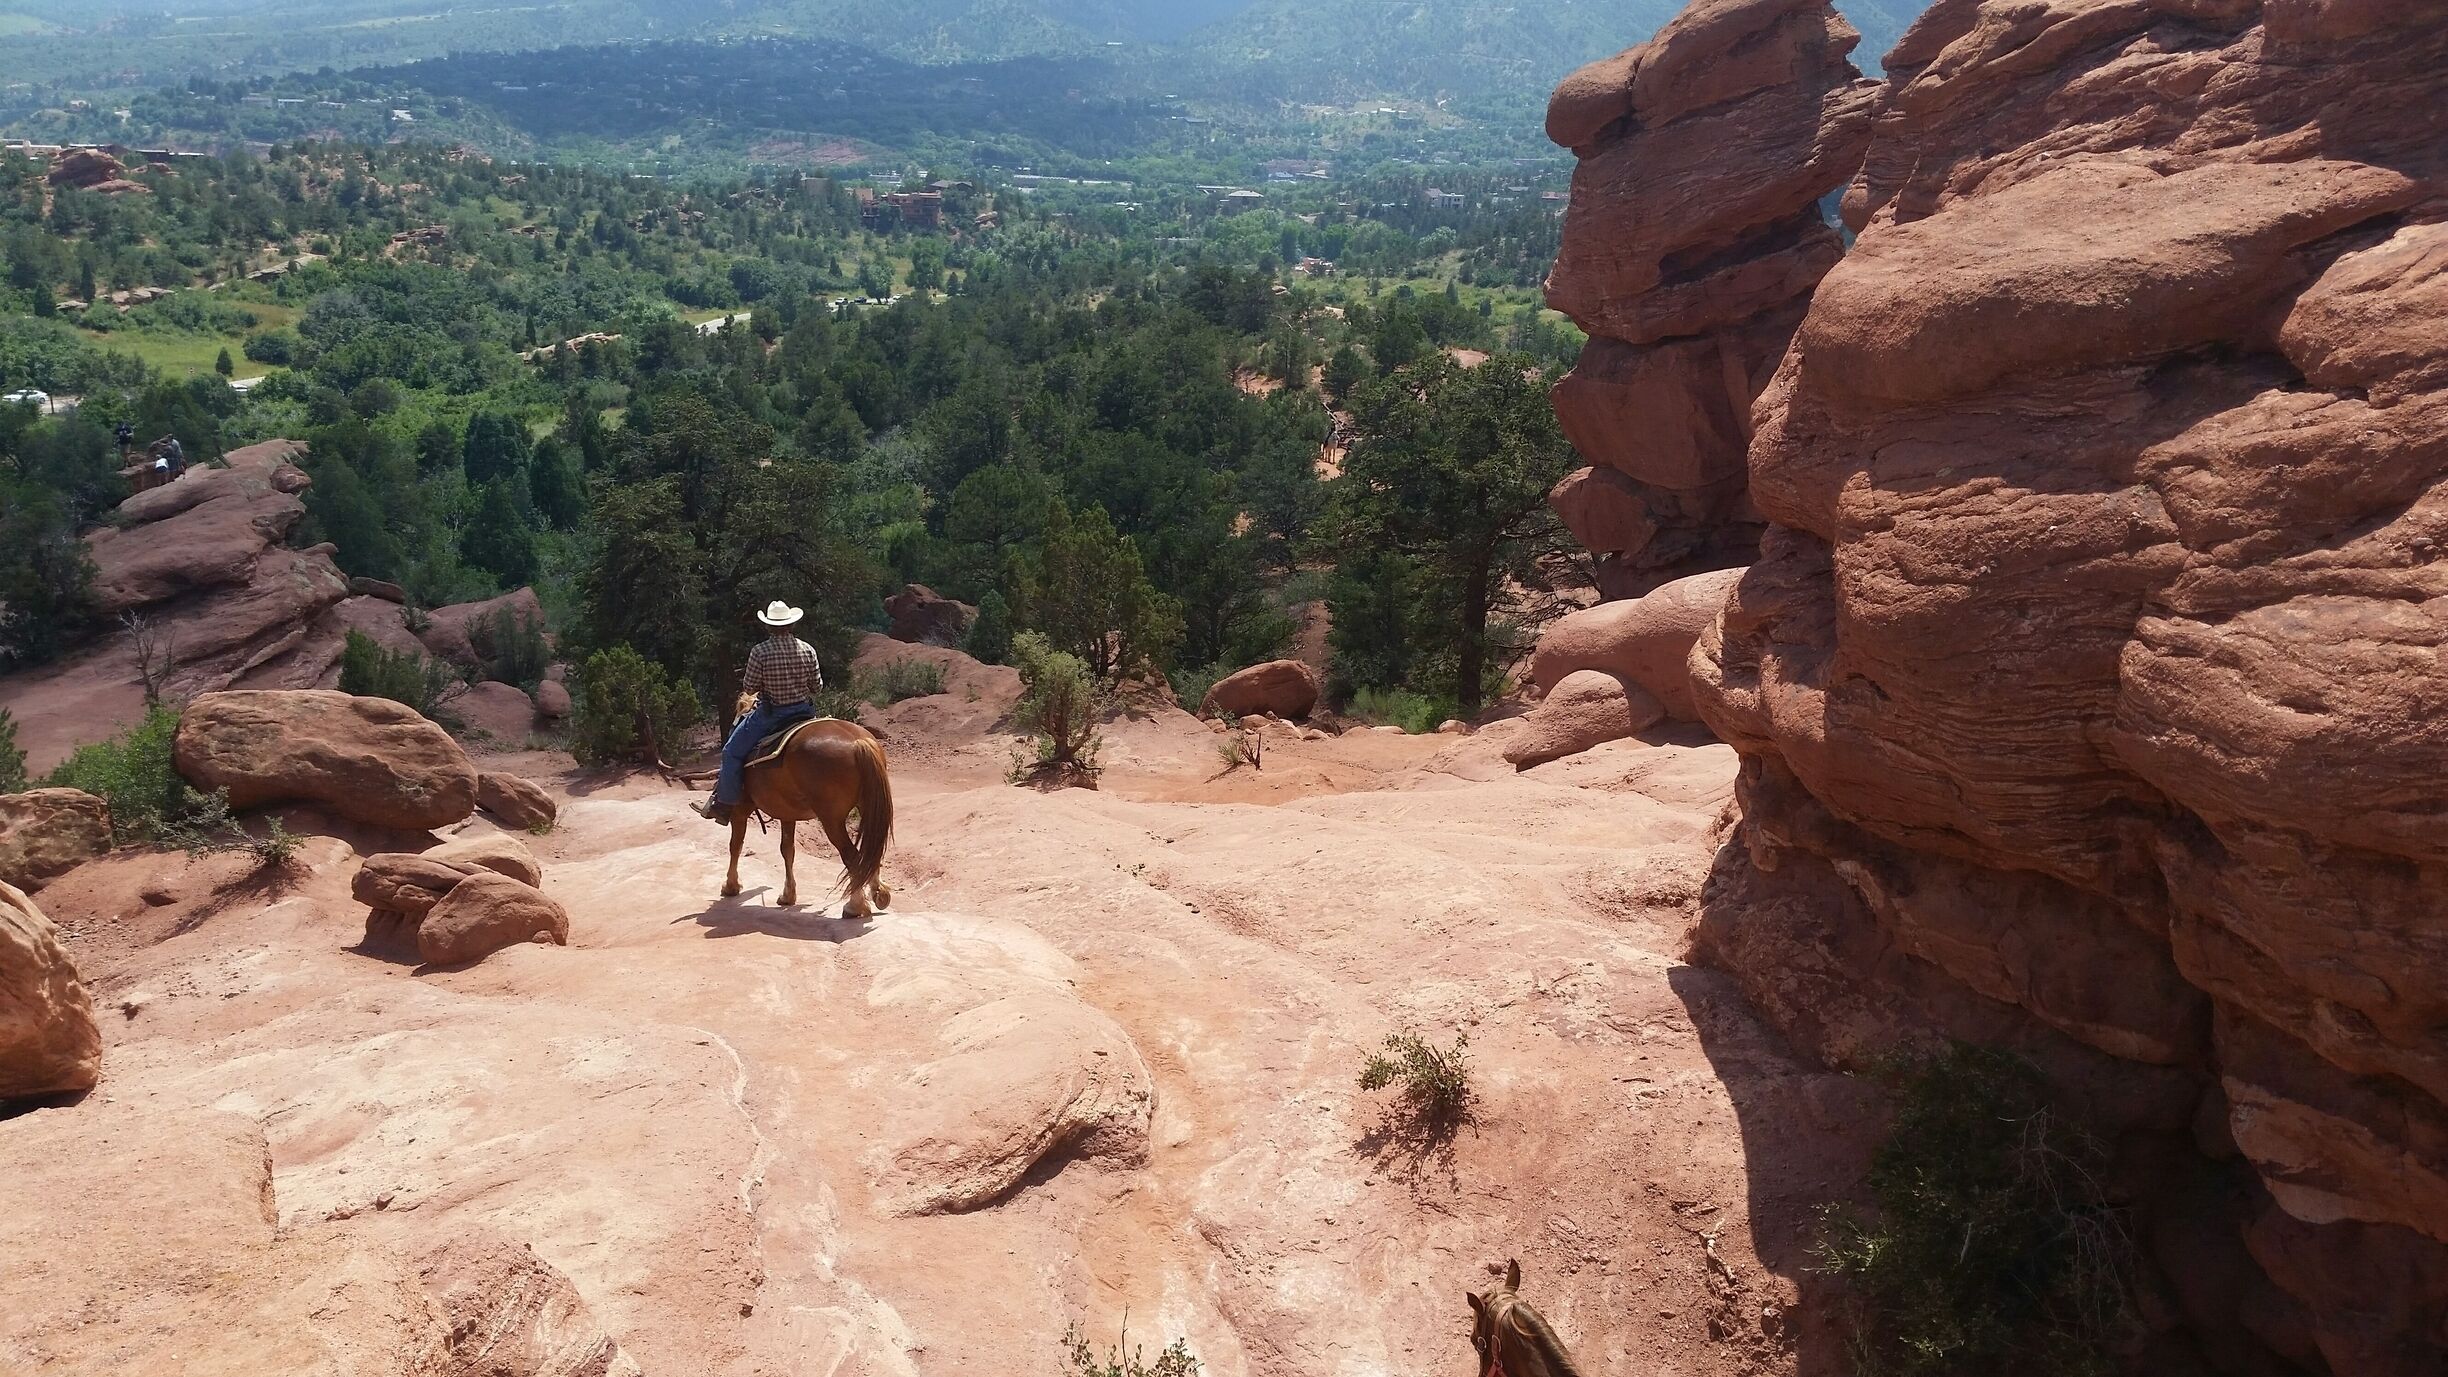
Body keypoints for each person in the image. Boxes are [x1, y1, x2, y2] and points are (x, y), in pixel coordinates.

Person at [697, 601, 824, 825]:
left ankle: (724, 804)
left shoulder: (760, 651)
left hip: (773, 714)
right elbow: (817, 687)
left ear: (768, 627)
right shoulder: (808, 649)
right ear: (791, 624)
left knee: (731, 752)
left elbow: (750, 688)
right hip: (805, 712)